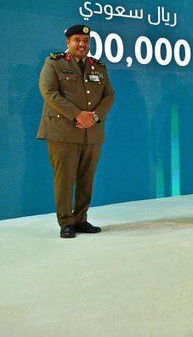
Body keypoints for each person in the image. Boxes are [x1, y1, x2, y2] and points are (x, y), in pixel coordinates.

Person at [37, 24, 115, 238]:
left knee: (86, 179)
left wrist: (95, 117)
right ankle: (66, 222)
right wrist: (77, 115)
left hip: (92, 132)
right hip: (63, 131)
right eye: (77, 40)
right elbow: (49, 91)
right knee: (65, 178)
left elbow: (109, 95)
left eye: (86, 41)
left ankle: (81, 219)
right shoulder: (54, 62)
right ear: (68, 42)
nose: (82, 44)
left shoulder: (98, 66)